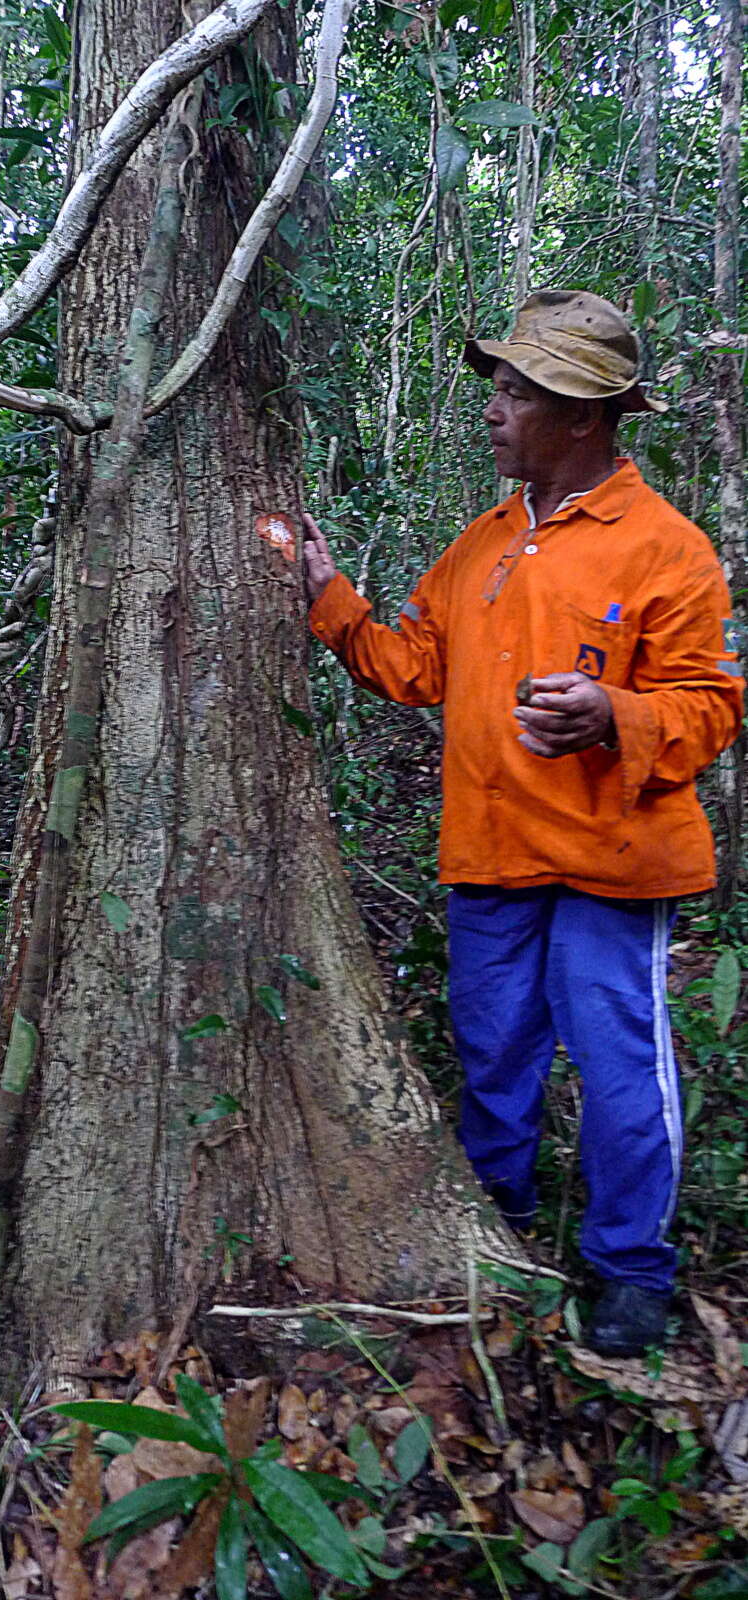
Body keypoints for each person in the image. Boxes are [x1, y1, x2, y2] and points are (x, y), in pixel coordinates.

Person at [303, 289, 744, 1358]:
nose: (492, 413)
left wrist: (615, 716)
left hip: (611, 863)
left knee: (618, 1059)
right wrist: (327, 595)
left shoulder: (666, 548)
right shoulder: (485, 543)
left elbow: (714, 702)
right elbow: (413, 667)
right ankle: (495, 1217)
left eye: (514, 395)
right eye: (496, 391)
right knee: (494, 1047)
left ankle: (630, 1267)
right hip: (493, 857)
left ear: (584, 417)